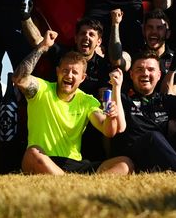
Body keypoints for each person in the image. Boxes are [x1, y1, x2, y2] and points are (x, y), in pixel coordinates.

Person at [14, 29, 130, 175]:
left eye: (75, 72)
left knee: (125, 163)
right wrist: (42, 47)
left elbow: (108, 131)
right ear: (57, 72)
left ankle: (68, 182)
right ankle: (70, 184)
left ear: (82, 78)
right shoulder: (42, 89)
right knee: (32, 153)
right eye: (65, 70)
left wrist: (112, 117)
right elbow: (19, 78)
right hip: (43, 159)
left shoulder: (87, 100)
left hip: (75, 165)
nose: (69, 75)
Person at [115, 52, 176, 172]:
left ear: (159, 75)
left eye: (151, 69)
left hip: (164, 156)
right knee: (153, 136)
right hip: (135, 156)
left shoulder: (165, 99)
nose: (145, 73)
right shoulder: (122, 98)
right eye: (140, 69)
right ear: (131, 74)